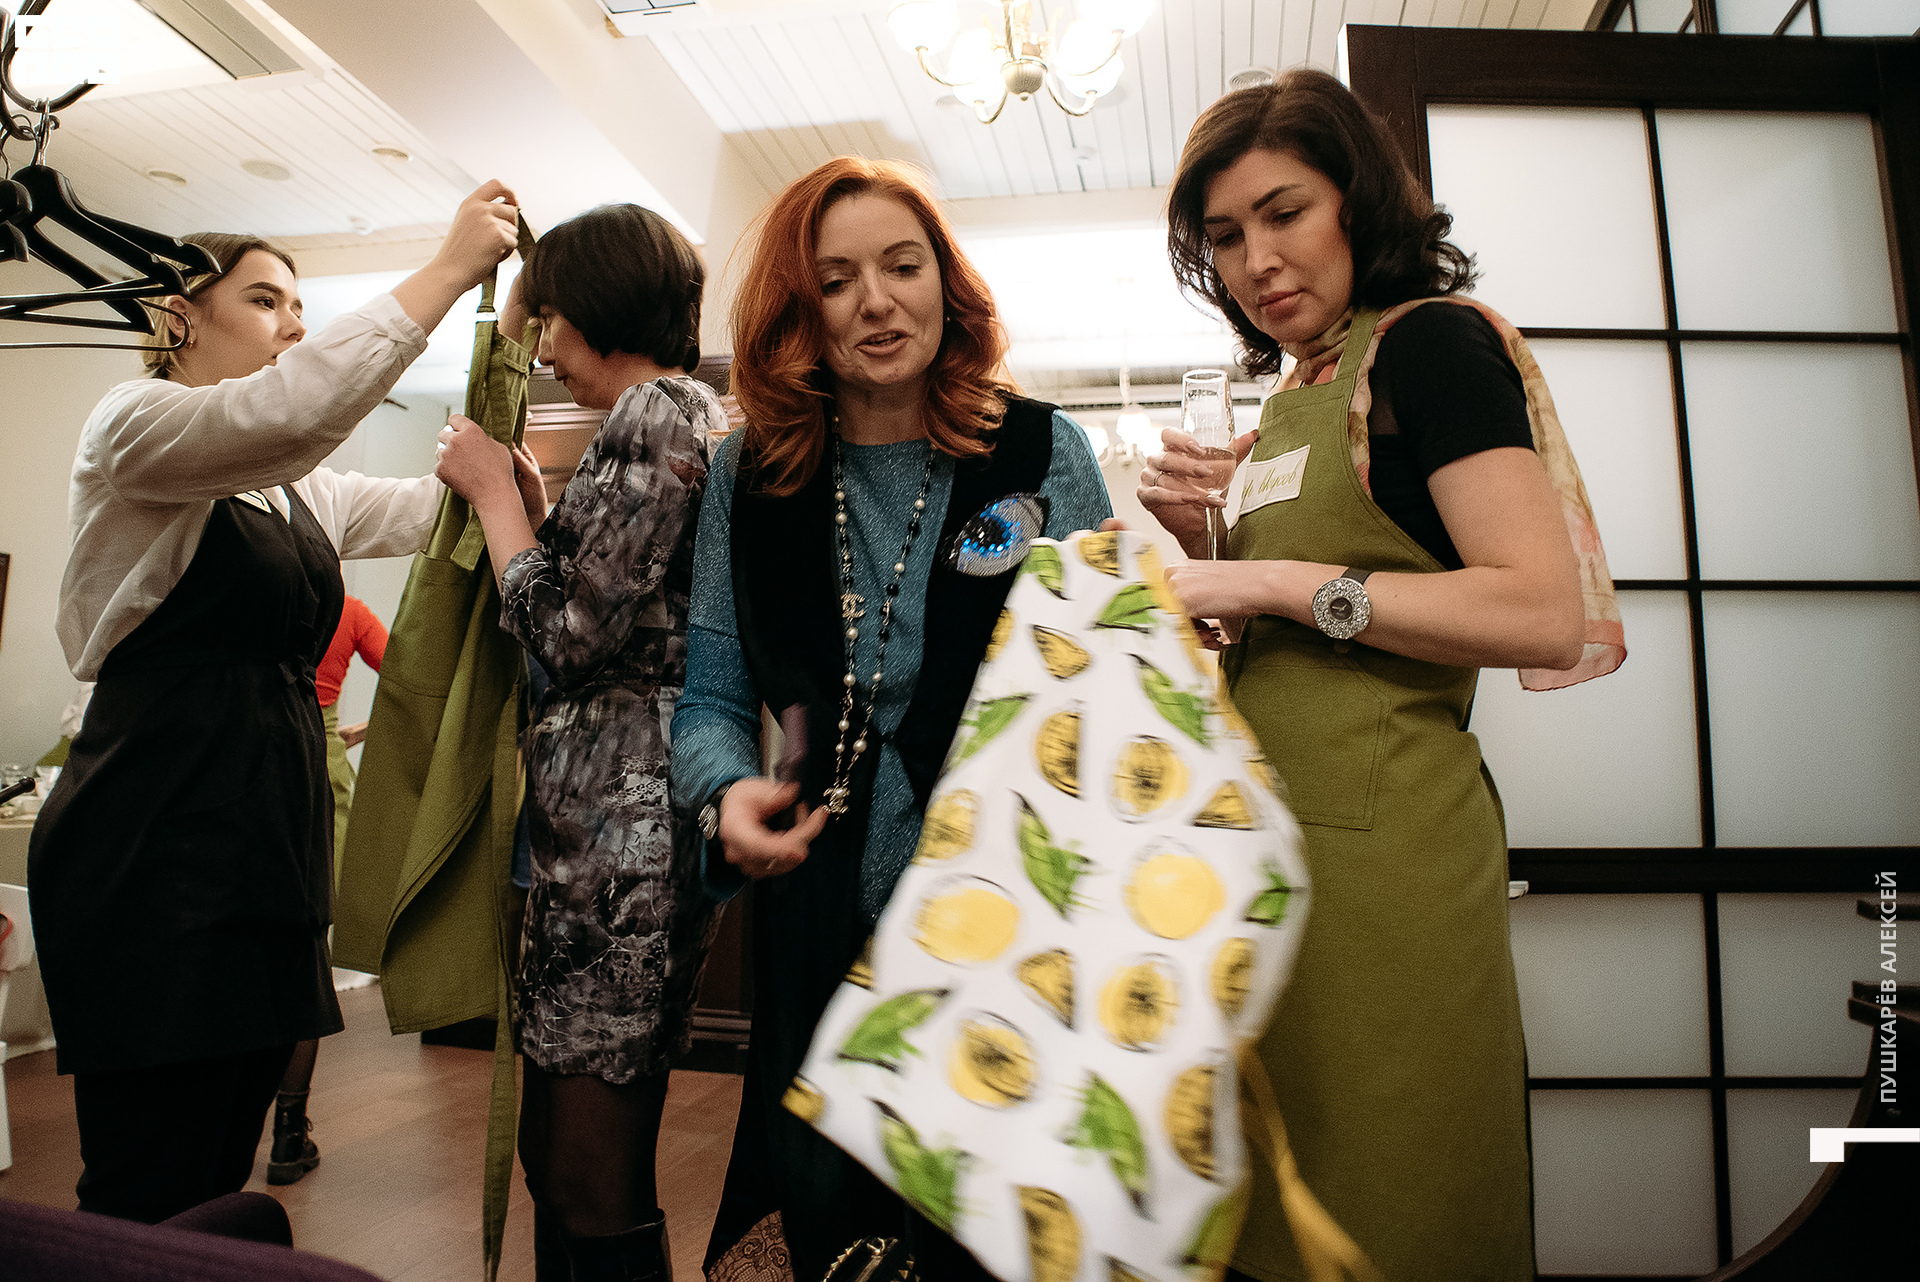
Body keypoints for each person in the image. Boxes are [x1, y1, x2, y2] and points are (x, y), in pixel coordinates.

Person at [1139, 71, 1622, 1282]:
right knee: (1275, 1209)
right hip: (1270, 851)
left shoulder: (1434, 347)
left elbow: (1539, 610)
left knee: (1392, 1195)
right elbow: (1302, 627)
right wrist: (1210, 547)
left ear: (1357, 200)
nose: (1257, 261)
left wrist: (1264, 578)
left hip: (1384, 860)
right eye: (1226, 236)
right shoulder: (1302, 385)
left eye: (1285, 212)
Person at [28, 181, 530, 1224]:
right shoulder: (134, 426)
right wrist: (447, 270)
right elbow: (293, 412)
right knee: (145, 1175)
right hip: (152, 841)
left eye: (299, 305)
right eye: (264, 300)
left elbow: (436, 507)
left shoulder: (298, 489)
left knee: (221, 1161)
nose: (293, 325)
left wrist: (513, 386)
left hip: (265, 845)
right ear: (178, 316)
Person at [669, 156, 1113, 1282]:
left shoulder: (1041, 452)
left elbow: (1102, 687)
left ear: (945, 285)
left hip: (1008, 905)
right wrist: (727, 789)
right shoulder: (750, 475)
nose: (877, 301)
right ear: (798, 311)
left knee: (989, 1226)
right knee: (828, 1220)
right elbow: (711, 695)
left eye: (903, 266)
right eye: (837, 280)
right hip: (819, 904)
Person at [432, 202, 727, 1282]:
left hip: (620, 847)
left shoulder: (657, 410)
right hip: (607, 839)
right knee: (559, 1156)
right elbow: (611, 595)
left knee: (590, 1172)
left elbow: (566, 631)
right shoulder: (684, 413)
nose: (544, 345)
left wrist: (490, 500)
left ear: (600, 306)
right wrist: (533, 502)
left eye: (554, 318)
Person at [266, 593, 389, 1188]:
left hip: (249, 752)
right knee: (306, 943)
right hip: (319, 757)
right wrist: (357, 731)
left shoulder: (260, 590)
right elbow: (410, 676)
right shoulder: (350, 610)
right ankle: (289, 1132)